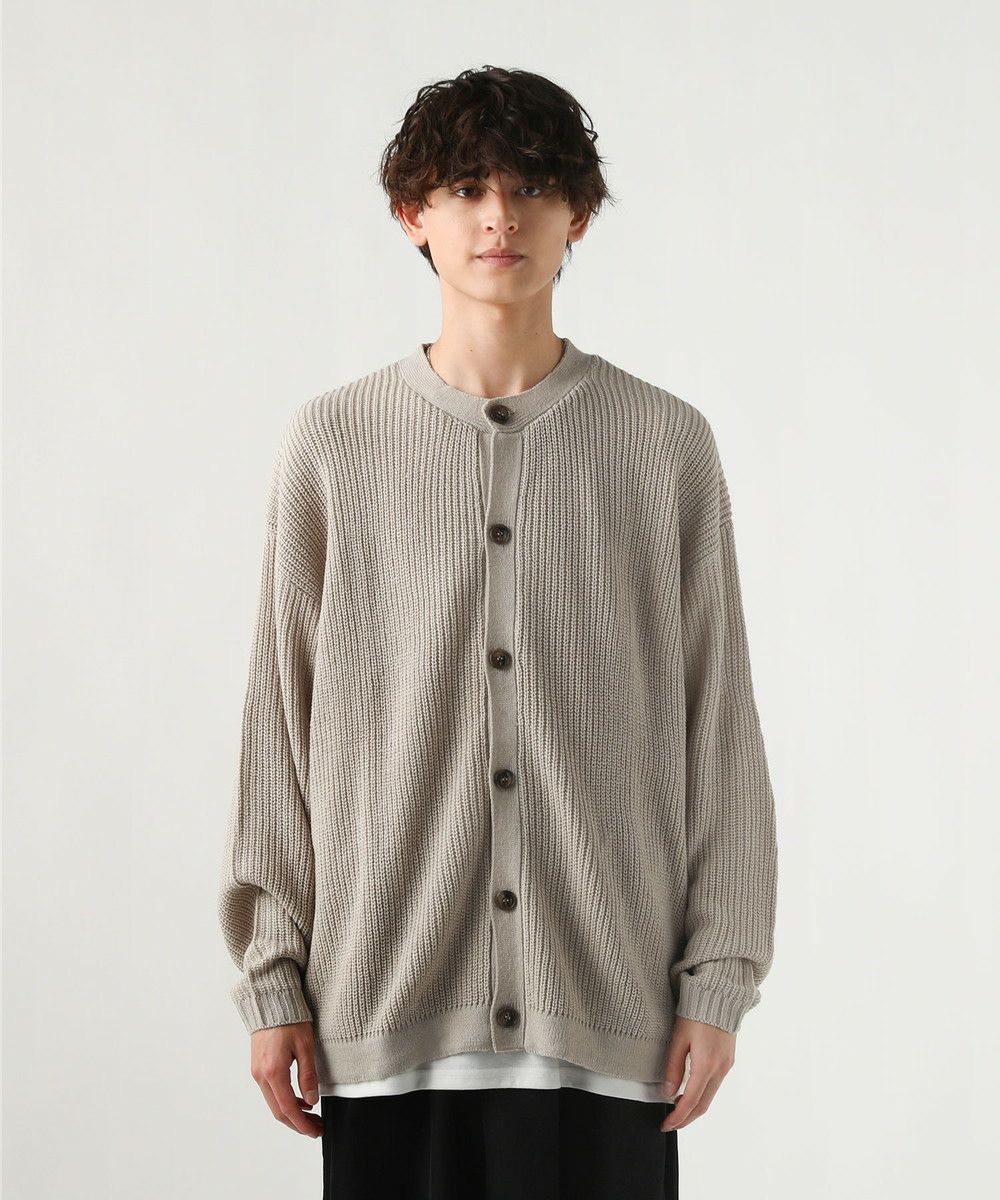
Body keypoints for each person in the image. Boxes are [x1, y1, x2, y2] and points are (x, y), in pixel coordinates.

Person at [218, 64, 778, 1200]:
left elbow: (718, 724)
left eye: (531, 188)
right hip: (385, 1013)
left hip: (609, 1019)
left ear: (579, 216)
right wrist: (272, 977)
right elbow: (280, 723)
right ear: (411, 215)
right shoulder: (334, 445)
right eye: (467, 188)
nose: (499, 218)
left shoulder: (663, 444)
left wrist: (717, 979)